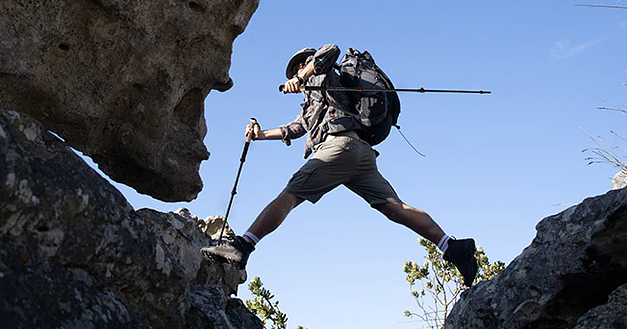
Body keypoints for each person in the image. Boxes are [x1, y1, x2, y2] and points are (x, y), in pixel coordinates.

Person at [201, 45, 478, 287]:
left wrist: (302, 75)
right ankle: (453, 246)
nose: (294, 75)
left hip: (338, 148)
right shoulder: (314, 101)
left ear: (305, 64)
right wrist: (260, 135)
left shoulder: (325, 75)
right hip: (360, 154)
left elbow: (330, 49)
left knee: (290, 195)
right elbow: (295, 128)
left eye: (297, 68)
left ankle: (243, 246)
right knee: (395, 208)